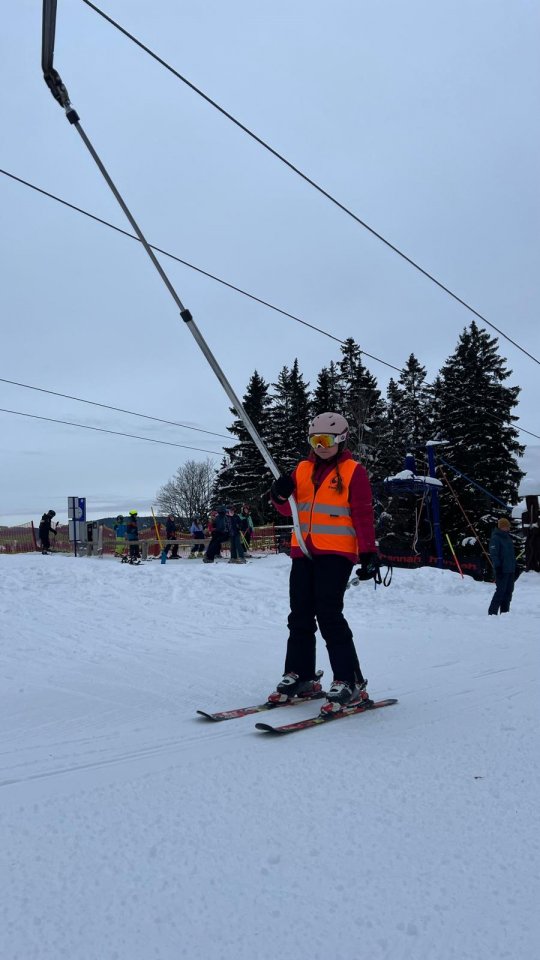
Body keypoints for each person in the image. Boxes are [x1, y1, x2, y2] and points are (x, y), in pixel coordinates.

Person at [267, 412, 379, 715]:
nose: (321, 446)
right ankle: (301, 675)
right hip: (303, 551)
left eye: (326, 440)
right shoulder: (301, 469)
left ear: (341, 439)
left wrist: (368, 552)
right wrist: (278, 495)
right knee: (299, 614)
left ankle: (349, 681)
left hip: (337, 552)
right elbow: (288, 510)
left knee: (329, 614)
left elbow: (363, 514)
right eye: (315, 440)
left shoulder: (354, 471)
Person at [488, 517, 516, 615]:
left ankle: (505, 613)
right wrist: (498, 567)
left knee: (508, 592)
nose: (508, 528)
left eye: (508, 526)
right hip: (502, 570)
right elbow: (494, 554)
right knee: (500, 592)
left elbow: (510, 554)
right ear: (501, 527)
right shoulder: (496, 538)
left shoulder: (507, 538)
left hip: (510, 569)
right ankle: (492, 613)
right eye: (507, 526)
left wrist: (514, 566)